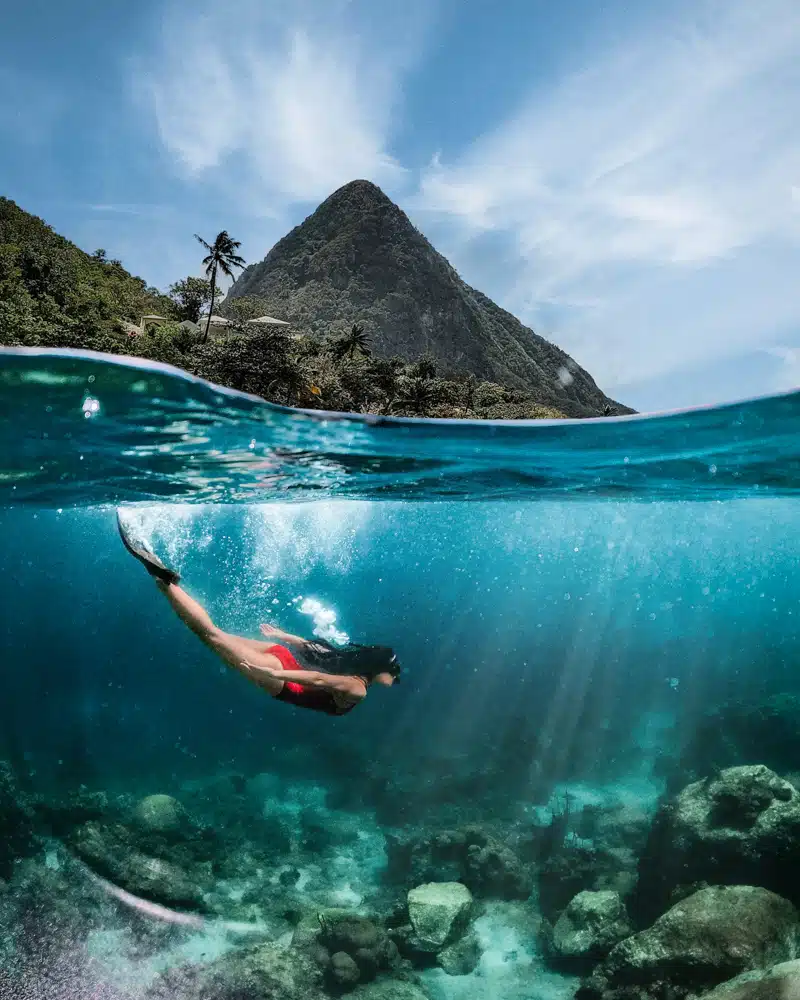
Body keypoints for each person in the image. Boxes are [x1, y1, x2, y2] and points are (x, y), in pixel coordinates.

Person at [117, 515, 400, 717]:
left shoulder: (346, 665)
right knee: (210, 635)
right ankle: (159, 577)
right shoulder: (357, 688)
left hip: (281, 658)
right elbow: (318, 680)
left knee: (215, 634)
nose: (394, 679)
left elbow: (314, 650)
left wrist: (282, 637)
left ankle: (158, 570)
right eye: (393, 672)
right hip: (283, 679)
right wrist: (273, 673)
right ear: (378, 668)